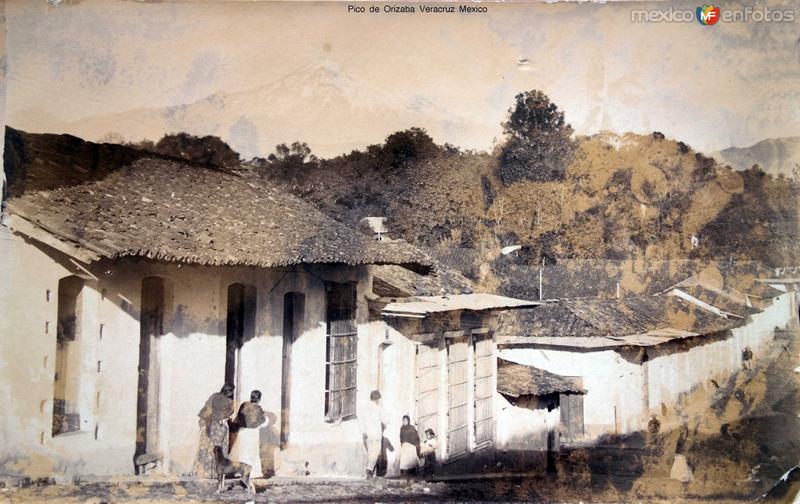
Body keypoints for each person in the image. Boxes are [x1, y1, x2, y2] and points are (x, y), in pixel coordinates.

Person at [194, 383, 235, 478]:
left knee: (207, 448)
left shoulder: (214, 396)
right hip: (220, 426)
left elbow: (206, 410)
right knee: (219, 449)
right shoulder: (229, 402)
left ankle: (204, 472)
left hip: (209, 425)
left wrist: (205, 423)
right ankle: (217, 473)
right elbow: (229, 413)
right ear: (229, 391)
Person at [230, 390, 267, 479]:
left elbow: (239, 417)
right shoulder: (258, 408)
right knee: (252, 452)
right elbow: (262, 421)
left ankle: (240, 472)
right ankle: (253, 472)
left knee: (242, 452)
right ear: (259, 399)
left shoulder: (244, 405)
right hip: (253, 433)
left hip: (243, 431)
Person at [358, 390, 383, 478]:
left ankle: (370, 474)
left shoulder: (365, 408)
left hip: (368, 434)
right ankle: (369, 469)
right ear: (377, 399)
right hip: (376, 435)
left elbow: (361, 420)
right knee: (376, 453)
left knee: (370, 453)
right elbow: (384, 420)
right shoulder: (378, 408)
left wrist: (363, 431)